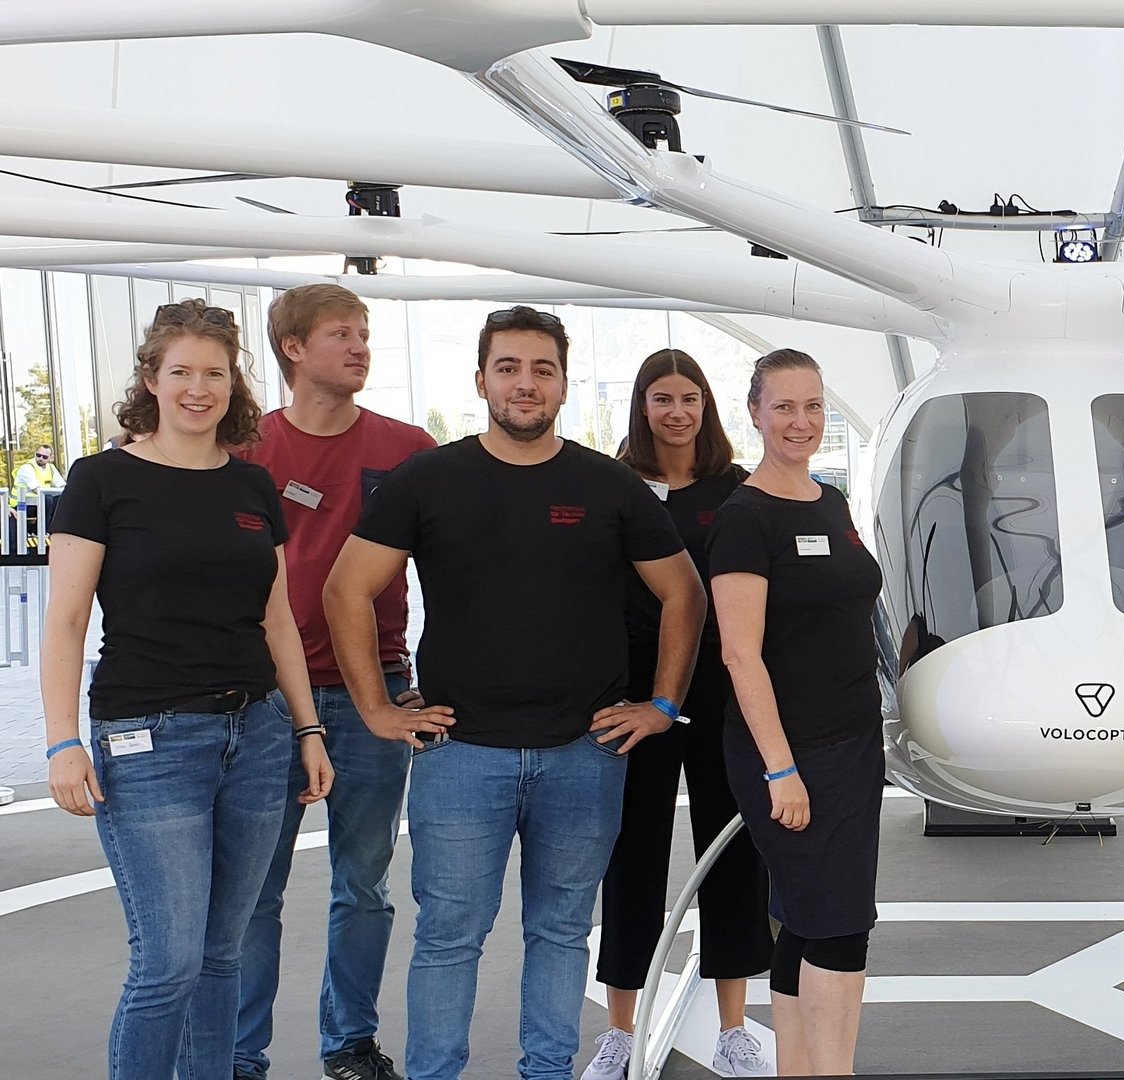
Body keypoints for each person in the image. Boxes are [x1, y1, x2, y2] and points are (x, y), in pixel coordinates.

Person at [323, 306, 705, 1080]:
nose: (525, 384)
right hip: (461, 754)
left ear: (562, 383)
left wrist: (661, 704)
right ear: (481, 380)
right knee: (449, 937)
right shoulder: (427, 480)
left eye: (541, 369)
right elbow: (345, 590)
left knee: (561, 932)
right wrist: (375, 709)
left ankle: (547, 1073)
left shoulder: (608, 485)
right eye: (509, 368)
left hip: (584, 754)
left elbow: (685, 596)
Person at [41, 299, 334, 1080]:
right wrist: (63, 741)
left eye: (215, 373)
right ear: (151, 379)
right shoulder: (101, 480)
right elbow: (65, 622)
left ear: (233, 380)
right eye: (181, 373)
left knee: (220, 956)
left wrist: (307, 731)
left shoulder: (252, 487)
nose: (198, 389)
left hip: (258, 735)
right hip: (149, 741)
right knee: (167, 962)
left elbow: (277, 622)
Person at [233, 285, 437, 1080]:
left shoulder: (408, 447)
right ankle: (242, 1055)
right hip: (263, 697)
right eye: (340, 334)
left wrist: (424, 682)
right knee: (255, 890)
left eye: (364, 334)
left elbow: (450, 568)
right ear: (293, 348)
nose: (360, 347)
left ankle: (348, 1044)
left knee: (365, 886)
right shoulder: (245, 447)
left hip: (373, 693)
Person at [583, 350, 773, 1080]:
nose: (676, 412)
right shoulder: (616, 484)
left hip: (724, 693)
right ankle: (620, 1033)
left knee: (730, 857)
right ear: (642, 405)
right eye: (661, 398)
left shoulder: (736, 489)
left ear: (707, 405)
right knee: (630, 859)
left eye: (689, 397)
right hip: (637, 695)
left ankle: (734, 1028)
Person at [709, 349, 884, 1077]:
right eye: (783, 406)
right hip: (790, 754)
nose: (800, 421)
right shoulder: (744, 519)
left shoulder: (830, 502)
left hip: (851, 742)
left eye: (813, 406)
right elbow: (740, 656)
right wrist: (781, 769)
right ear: (754, 413)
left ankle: (798, 1070)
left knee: (808, 918)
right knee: (841, 925)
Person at [11, 442, 62, 551]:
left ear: (50, 458)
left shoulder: (51, 468)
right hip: (20, 506)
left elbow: (61, 486)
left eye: (44, 457)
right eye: (38, 455)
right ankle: (41, 531)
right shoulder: (27, 468)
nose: (40, 458)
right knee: (47, 499)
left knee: (59, 499)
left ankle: (53, 530)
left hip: (39, 504)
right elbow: (36, 489)